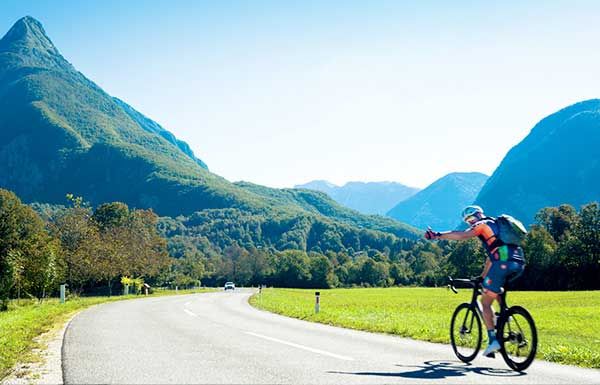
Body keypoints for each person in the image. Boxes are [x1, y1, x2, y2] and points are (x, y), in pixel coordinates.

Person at [424, 205, 525, 357]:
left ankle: (493, 341)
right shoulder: (496, 226)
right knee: (494, 288)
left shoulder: (482, 224)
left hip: (503, 264)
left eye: (470, 219)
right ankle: (504, 315)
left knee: (485, 302)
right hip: (518, 261)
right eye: (468, 221)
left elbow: (461, 236)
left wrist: (437, 235)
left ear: (477, 215)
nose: (470, 223)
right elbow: (493, 257)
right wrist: (483, 276)